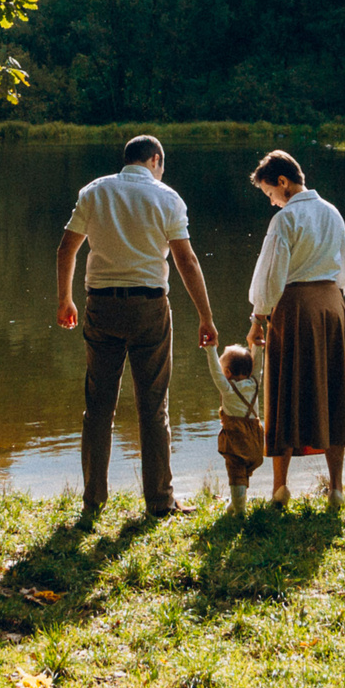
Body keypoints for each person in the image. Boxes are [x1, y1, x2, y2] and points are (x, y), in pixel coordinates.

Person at [55, 134, 220, 516]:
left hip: (101, 306)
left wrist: (65, 300)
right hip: (149, 309)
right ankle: (160, 502)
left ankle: (93, 501)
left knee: (98, 407)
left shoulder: (94, 192)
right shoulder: (167, 198)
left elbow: (67, 248)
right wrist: (206, 317)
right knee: (153, 407)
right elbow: (187, 261)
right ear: (155, 159)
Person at [244, 148, 345, 505]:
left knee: (284, 394)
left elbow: (271, 276)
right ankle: (336, 488)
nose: (271, 201)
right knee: (333, 394)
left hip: (294, 308)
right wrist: (329, 298)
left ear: (283, 182)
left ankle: (280, 489)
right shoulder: (332, 212)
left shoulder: (285, 220)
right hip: (332, 306)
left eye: (270, 193)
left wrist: (257, 319)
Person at [204, 340, 267, 511]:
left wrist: (210, 350)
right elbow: (258, 368)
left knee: (236, 470)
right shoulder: (254, 384)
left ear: (227, 372)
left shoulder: (228, 389)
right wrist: (258, 347)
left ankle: (239, 509)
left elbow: (215, 372)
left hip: (236, 436)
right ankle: (237, 502)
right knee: (244, 472)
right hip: (256, 438)